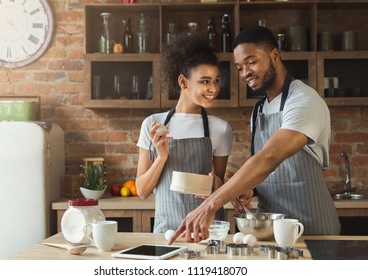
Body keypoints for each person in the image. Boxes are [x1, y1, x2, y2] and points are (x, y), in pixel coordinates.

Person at [169, 26, 341, 243]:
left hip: (311, 230)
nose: (245, 73)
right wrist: (250, 189)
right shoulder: (259, 110)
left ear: (275, 55)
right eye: (239, 67)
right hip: (269, 231)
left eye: (251, 62)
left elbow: (270, 157)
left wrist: (210, 204)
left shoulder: (304, 101)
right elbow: (271, 172)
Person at [135, 33, 233, 233]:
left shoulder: (220, 129)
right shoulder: (153, 125)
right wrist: (161, 157)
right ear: (183, 82)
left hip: (208, 230)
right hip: (167, 231)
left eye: (216, 81)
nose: (213, 88)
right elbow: (142, 191)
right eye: (205, 81)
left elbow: (219, 184)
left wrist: (217, 184)